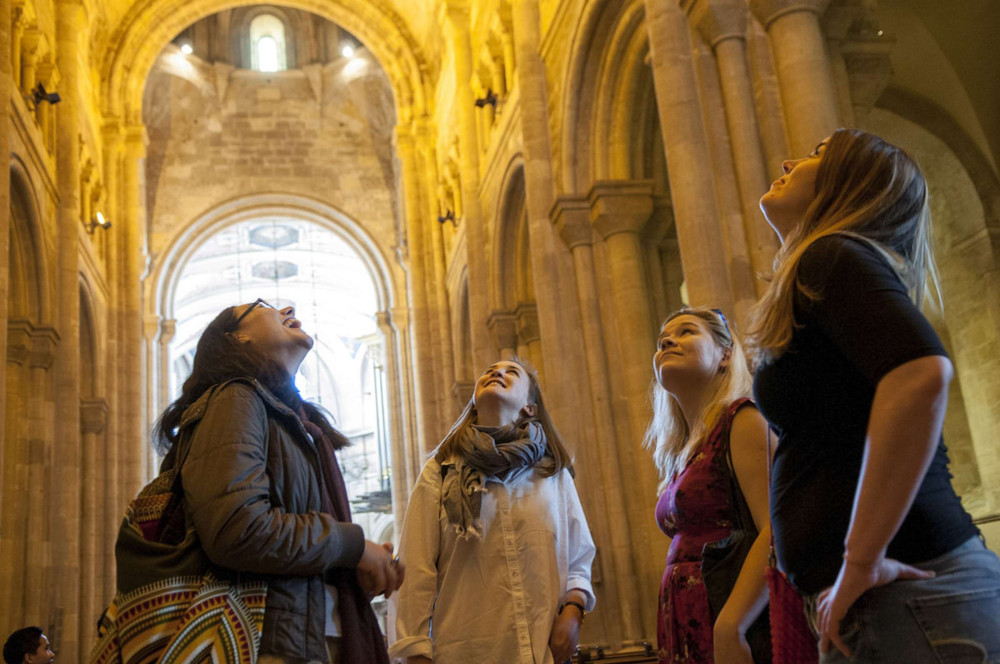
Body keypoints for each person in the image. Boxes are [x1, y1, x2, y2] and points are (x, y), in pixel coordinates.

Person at [749, 128, 1000, 662]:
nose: (791, 158)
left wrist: (861, 562)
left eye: (818, 154)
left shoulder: (831, 255)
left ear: (851, 183)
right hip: (903, 599)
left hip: (911, 592)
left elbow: (921, 374)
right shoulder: (827, 267)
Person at [154, 298, 402, 664]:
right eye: (263, 305)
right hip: (258, 644)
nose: (287, 308)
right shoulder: (235, 398)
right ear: (236, 338)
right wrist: (351, 546)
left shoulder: (293, 421)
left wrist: (348, 573)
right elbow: (238, 529)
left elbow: (284, 554)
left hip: (301, 639)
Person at [390, 359, 596, 664]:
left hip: (542, 653)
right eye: (489, 371)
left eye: (511, 372)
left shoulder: (552, 475)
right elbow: (415, 569)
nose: (497, 373)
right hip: (466, 652)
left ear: (530, 407)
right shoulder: (441, 472)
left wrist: (573, 614)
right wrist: (416, 653)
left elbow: (578, 559)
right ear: (473, 403)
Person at [645, 307, 771, 664]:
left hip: (733, 615)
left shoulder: (741, 419)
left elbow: (775, 528)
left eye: (687, 332)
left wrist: (733, 624)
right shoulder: (684, 449)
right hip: (686, 617)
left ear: (724, 355)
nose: (668, 340)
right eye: (662, 340)